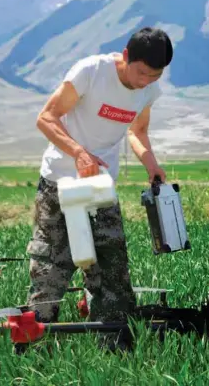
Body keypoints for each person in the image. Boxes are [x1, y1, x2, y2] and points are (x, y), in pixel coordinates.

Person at [26, 26, 172, 352]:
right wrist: (78, 153)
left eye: (156, 75)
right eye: (143, 73)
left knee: (112, 269)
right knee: (51, 267)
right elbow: (47, 117)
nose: (146, 81)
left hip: (100, 190)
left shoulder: (148, 90)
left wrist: (152, 165)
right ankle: (34, 350)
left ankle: (115, 350)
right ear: (125, 56)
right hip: (59, 184)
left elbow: (138, 130)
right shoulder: (91, 71)